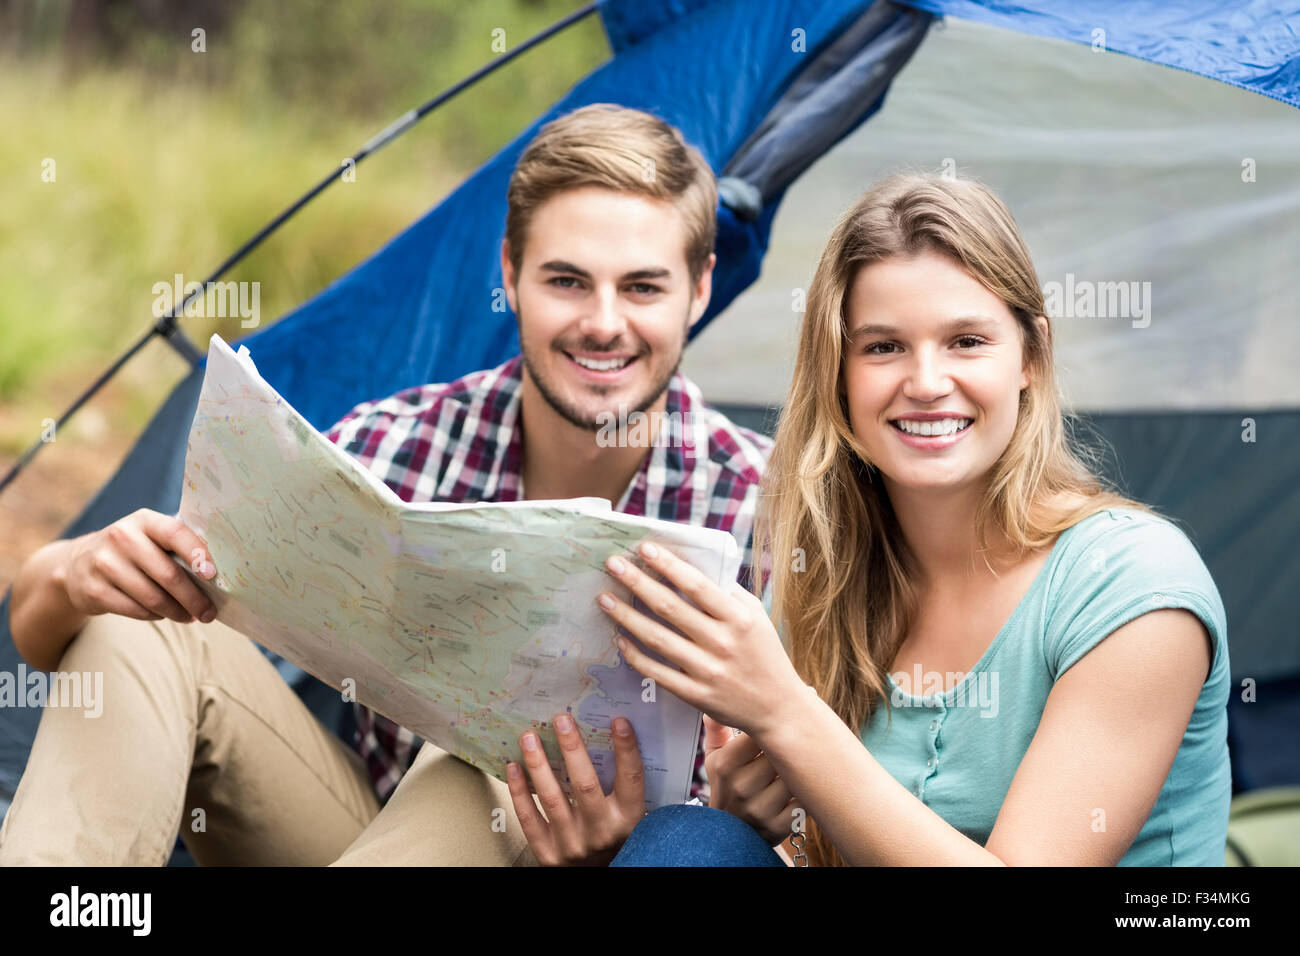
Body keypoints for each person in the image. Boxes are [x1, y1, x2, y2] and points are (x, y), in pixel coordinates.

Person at [0, 103, 774, 866]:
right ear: (510, 272)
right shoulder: (394, 446)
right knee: (142, 619)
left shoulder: (768, 511)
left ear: (700, 289)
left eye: (643, 288)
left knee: (496, 758)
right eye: (567, 281)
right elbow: (38, 631)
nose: (603, 323)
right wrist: (73, 574)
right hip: (375, 837)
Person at [527, 172, 1231, 866]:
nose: (925, 383)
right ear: (839, 374)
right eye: (883, 346)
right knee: (691, 841)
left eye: (967, 341)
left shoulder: (1134, 586)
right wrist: (754, 819)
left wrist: (784, 713)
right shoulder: (821, 577)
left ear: (1032, 358)